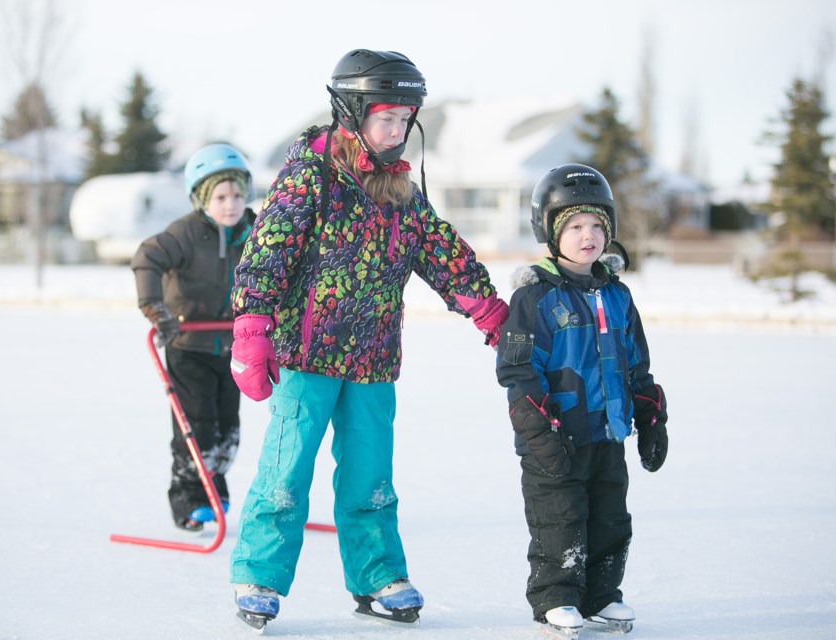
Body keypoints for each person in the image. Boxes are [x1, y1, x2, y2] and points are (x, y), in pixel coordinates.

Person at [227, 49, 509, 631]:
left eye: (406, 120)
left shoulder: (401, 190)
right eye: (386, 118)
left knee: (370, 478)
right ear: (351, 113)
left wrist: (487, 310)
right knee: (285, 472)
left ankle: (378, 575)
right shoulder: (312, 176)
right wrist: (252, 327)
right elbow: (267, 249)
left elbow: (441, 251)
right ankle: (258, 575)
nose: (397, 131)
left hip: (374, 361)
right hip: (305, 357)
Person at [495, 163, 669, 637]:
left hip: (609, 432)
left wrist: (651, 415)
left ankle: (601, 596)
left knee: (610, 517)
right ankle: (556, 598)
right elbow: (517, 371)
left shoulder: (617, 295)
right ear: (551, 231)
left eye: (597, 225)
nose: (588, 235)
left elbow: (636, 362)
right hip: (557, 438)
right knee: (560, 518)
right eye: (574, 225)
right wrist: (537, 432)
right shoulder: (534, 301)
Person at [131, 143, 256, 532]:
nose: (230, 204)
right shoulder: (184, 234)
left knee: (227, 427)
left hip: (233, 345)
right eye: (220, 196)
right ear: (201, 198)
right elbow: (147, 258)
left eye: (237, 194)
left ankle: (214, 488)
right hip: (188, 344)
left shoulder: (254, 232)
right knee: (197, 424)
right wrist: (155, 308)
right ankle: (188, 500)